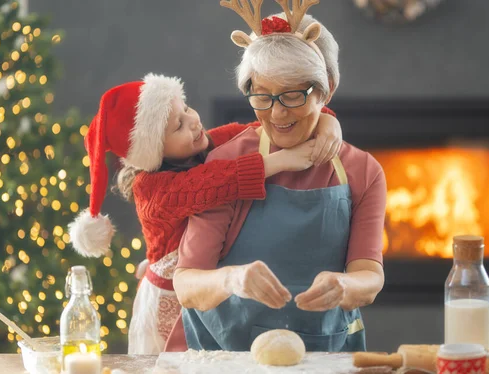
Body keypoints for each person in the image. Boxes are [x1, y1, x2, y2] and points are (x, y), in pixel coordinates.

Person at [67, 73, 343, 354]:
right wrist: (278, 161)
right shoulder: (150, 190)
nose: (194, 120)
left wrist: (326, 120)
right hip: (170, 300)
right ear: (153, 151)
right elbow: (211, 183)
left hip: (207, 286)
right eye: (178, 125)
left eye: (186, 108)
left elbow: (271, 127)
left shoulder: (206, 142)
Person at [168, 4, 386, 353]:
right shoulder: (228, 163)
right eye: (264, 96)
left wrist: (344, 286)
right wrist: (233, 278)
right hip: (228, 353)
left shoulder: (363, 171)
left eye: (293, 95)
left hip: (326, 350)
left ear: (326, 91)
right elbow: (187, 284)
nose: (277, 112)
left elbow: (370, 276)